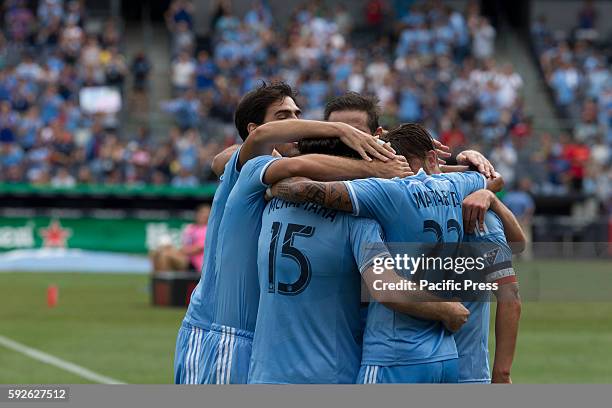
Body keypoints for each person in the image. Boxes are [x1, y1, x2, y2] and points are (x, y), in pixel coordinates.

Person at [174, 82, 406, 384]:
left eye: (298, 114)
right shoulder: (251, 164)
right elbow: (248, 151)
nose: (296, 124)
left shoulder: (314, 180)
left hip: (267, 349)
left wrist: (466, 173)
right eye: (284, 116)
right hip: (221, 333)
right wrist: (348, 140)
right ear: (256, 129)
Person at [268, 123, 504, 383]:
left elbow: (303, 190)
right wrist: (484, 188)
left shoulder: (390, 190)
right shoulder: (456, 184)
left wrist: (272, 187)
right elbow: (493, 178)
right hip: (444, 356)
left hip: (393, 355)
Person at [457, 190, 524, 383]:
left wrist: (491, 198)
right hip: (468, 369)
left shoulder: (393, 198)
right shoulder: (480, 215)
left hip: (403, 362)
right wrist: (502, 374)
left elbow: (518, 244)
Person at [150, 204, 210, 274]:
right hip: (186, 258)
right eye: (201, 213)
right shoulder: (191, 228)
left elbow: (198, 248)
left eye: (206, 213)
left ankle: (162, 282)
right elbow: (184, 245)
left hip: (196, 263)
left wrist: (178, 251)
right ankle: (158, 282)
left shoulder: (208, 230)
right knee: (156, 253)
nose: (203, 215)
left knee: (165, 255)